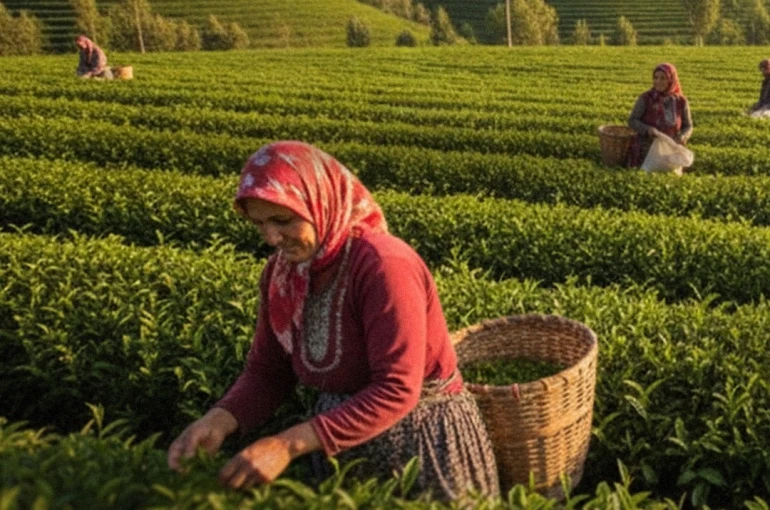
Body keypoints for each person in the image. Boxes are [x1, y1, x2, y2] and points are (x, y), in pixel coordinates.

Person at [167, 141, 500, 502]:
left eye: (283, 220)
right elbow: (269, 370)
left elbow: (398, 388)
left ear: (320, 202)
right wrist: (219, 420)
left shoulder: (383, 264)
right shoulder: (282, 274)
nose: (271, 238)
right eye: (259, 223)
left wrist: (286, 445)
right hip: (336, 442)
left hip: (421, 443)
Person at [627, 62, 692, 168]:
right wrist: (647, 129)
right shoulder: (646, 98)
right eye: (656, 78)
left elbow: (688, 125)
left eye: (663, 78)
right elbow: (632, 120)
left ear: (671, 80)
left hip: (671, 148)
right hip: (647, 148)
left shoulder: (681, 101)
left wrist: (682, 136)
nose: (658, 81)